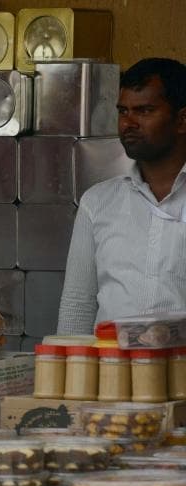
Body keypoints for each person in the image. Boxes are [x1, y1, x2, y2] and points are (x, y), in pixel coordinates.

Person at [58, 58, 186, 334]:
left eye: (145, 111)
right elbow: (77, 305)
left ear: (181, 120)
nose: (128, 123)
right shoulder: (98, 203)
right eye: (123, 111)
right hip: (112, 373)